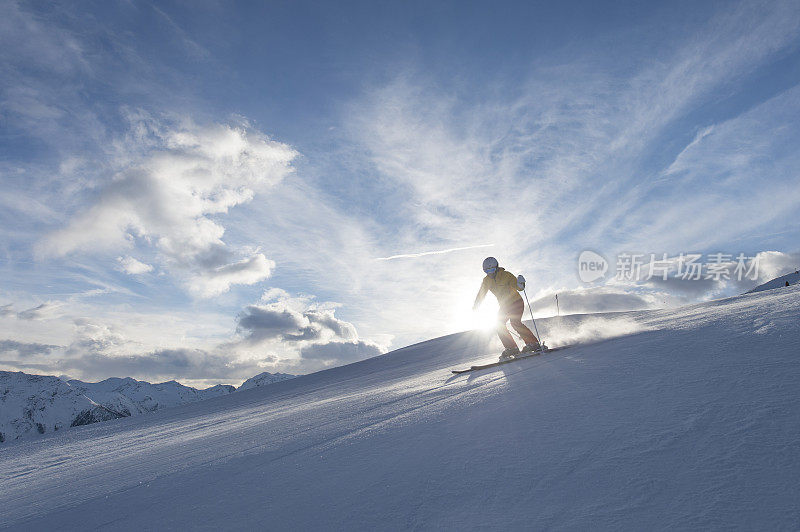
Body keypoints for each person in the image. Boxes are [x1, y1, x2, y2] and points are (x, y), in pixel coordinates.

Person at [473, 256, 541, 359]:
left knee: (515, 323)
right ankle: (512, 348)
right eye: (487, 271)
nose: (490, 273)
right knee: (498, 325)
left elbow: (519, 288)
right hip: (504, 306)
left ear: (496, 267)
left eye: (492, 269)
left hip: (516, 302)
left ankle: (533, 344)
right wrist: (477, 305)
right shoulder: (486, 280)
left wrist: (521, 283)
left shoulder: (506, 275)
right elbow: (481, 293)